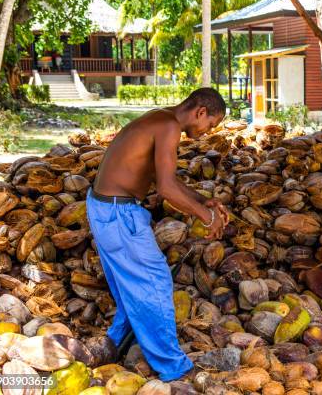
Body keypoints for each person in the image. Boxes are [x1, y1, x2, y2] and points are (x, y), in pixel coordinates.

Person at [86, 87, 228, 381]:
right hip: (117, 214)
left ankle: (114, 343)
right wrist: (207, 217)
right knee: (154, 281)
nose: (206, 132)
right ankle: (173, 368)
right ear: (200, 112)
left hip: (106, 208)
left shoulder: (160, 119)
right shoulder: (168, 126)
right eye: (210, 125)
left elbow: (166, 179)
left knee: (132, 284)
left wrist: (203, 201)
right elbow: (165, 189)